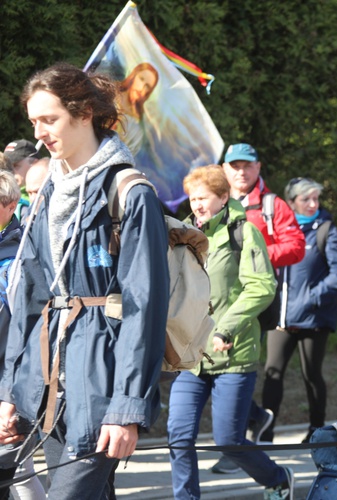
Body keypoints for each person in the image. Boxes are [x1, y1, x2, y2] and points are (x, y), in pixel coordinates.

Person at [0, 62, 170, 498]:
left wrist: (127, 406)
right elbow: (29, 301)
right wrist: (11, 391)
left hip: (102, 389)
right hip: (49, 389)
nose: (39, 132)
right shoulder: (46, 197)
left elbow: (143, 308)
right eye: (34, 121)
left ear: (84, 113)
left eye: (49, 119)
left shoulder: (131, 193)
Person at [168, 165, 294, 500]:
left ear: (223, 197)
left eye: (204, 198)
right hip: (191, 354)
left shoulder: (244, 232)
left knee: (228, 439)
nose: (197, 205)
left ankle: (278, 479)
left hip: (233, 352)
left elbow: (262, 286)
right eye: (193, 199)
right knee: (179, 436)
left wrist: (227, 326)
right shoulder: (184, 233)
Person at [211, 142, 305, 473]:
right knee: (210, 369)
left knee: (233, 367)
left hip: (253, 301)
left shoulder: (271, 205)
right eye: (234, 166)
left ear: (258, 167)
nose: (240, 171)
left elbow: (295, 246)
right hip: (213, 304)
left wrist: (256, 254)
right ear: (224, 168)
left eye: (247, 165)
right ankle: (254, 417)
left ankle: (233, 445)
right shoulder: (211, 199)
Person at [259, 177, 337, 444]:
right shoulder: (278, 229)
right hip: (281, 317)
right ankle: (266, 433)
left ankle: (316, 431)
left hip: (313, 317)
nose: (313, 204)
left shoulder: (325, 230)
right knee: (272, 372)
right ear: (291, 203)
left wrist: (311, 298)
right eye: (306, 199)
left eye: (316, 199)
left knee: (312, 374)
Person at [0, 171, 45, 500]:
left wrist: (12, 392)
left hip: (7, 374)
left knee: (15, 468)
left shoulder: (20, 253)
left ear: (11, 206)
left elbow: (23, 322)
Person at [115, 62, 159, 155]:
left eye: (147, 86)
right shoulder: (110, 94)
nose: (142, 88)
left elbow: (128, 154)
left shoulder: (137, 126)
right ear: (133, 76)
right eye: (141, 79)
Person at [3, 139, 40, 221]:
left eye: (16, 166)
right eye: (7, 166)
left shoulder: (47, 194)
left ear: (34, 164)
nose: (10, 171)